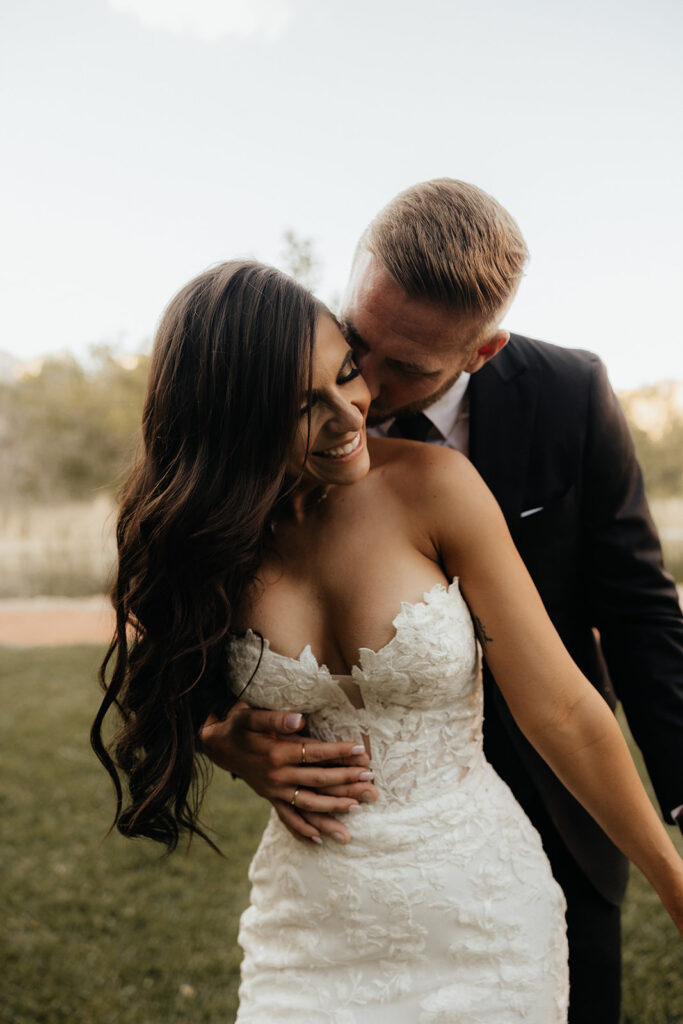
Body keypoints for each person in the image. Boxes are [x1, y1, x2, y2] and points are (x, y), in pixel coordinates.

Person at [92, 259, 683, 1023]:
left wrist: (673, 884)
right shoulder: (204, 540)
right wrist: (223, 738)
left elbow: (563, 710)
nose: (349, 417)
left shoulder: (436, 487)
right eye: (303, 405)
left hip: (481, 910)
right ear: (229, 416)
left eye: (347, 375)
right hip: (307, 926)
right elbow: (179, 687)